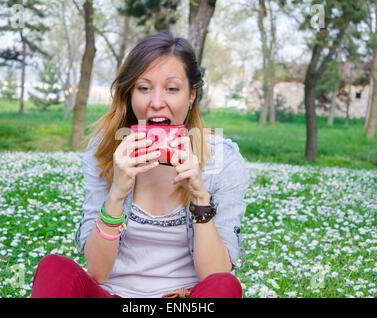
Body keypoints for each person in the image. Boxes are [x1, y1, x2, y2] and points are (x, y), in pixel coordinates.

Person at [31, 30, 250, 298]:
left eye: (172, 89)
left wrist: (200, 197)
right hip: (115, 296)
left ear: (192, 94)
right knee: (53, 268)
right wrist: (117, 193)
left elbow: (216, 278)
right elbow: (97, 271)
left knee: (226, 286)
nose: (157, 103)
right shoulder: (105, 151)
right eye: (144, 88)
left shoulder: (222, 160)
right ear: (130, 94)